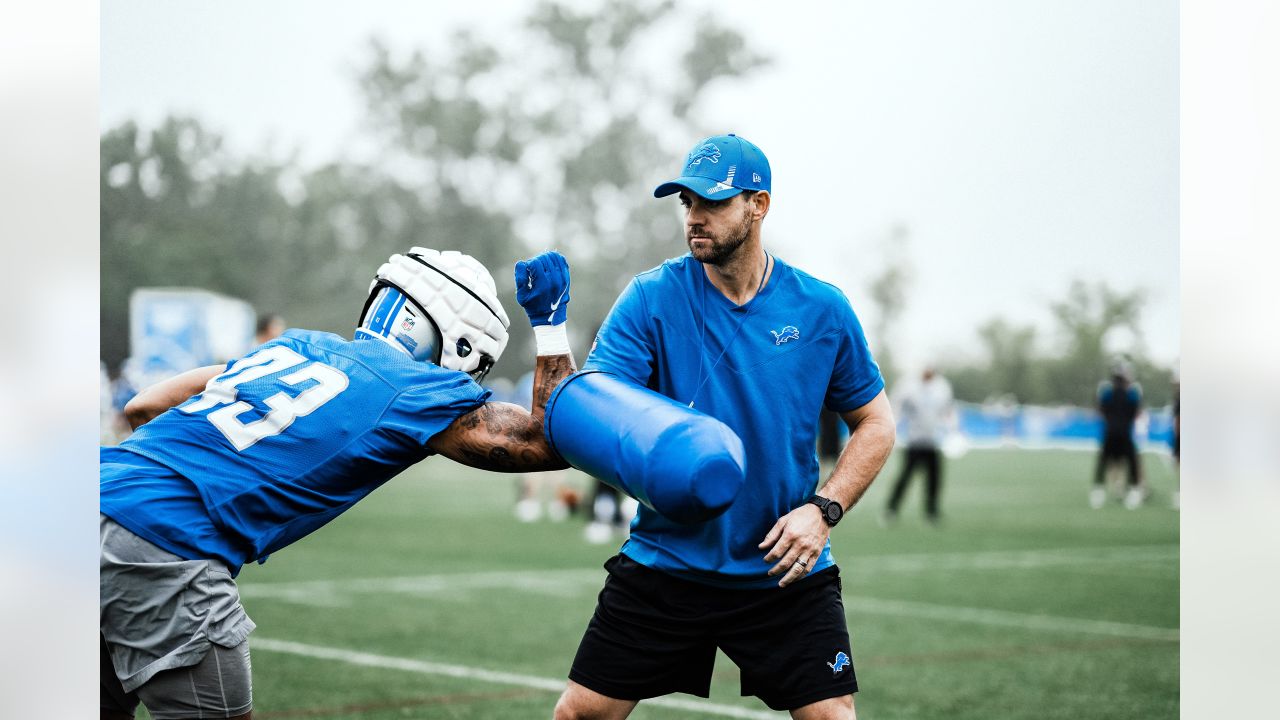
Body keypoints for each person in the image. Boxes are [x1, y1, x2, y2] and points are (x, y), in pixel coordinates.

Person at [100, 248, 576, 720]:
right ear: (463, 342)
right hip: (164, 538)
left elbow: (144, 405)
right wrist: (551, 325)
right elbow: (553, 442)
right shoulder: (416, 390)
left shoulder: (294, 345)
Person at [553, 134, 896, 720]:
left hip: (783, 568)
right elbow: (593, 408)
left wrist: (824, 510)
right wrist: (550, 339)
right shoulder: (650, 298)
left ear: (758, 205)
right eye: (687, 203)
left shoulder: (822, 309)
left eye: (711, 202)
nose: (694, 218)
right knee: (579, 715)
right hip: (668, 559)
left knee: (832, 718)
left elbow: (877, 424)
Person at [882, 366, 956, 525]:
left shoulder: (941, 388)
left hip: (933, 441)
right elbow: (897, 407)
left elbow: (948, 410)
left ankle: (932, 511)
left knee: (934, 479)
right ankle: (891, 509)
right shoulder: (909, 387)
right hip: (914, 440)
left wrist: (951, 430)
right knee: (905, 477)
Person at [1091, 357, 1144, 509]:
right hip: (1125, 433)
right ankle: (1133, 492)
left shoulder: (1106, 392)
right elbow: (1136, 413)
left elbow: (1100, 411)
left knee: (1103, 462)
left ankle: (1098, 492)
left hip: (1110, 432)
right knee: (1131, 462)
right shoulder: (1132, 393)